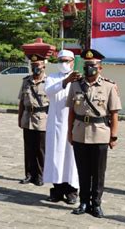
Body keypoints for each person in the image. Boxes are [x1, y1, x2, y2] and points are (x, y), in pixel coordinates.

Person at [67, 49, 121, 218]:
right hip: (80, 133)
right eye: (87, 65)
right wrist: (70, 132)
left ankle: (96, 204)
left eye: (93, 65)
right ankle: (84, 202)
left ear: (100, 68)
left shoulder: (109, 86)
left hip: (100, 135)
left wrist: (113, 136)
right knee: (82, 171)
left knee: (98, 173)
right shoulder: (75, 85)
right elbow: (71, 112)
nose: (89, 68)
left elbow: (114, 114)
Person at [43, 50, 80, 204]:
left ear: (72, 61)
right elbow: (49, 91)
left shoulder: (79, 79)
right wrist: (65, 82)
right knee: (55, 156)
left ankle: (72, 190)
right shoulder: (52, 78)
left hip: (73, 124)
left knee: (71, 158)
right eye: (60, 61)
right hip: (56, 124)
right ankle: (57, 189)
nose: (63, 63)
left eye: (66, 60)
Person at [18, 54, 49, 186]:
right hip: (27, 117)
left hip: (42, 119)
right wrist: (20, 118)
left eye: (37, 65)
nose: (35, 67)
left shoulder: (49, 82)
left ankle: (41, 175)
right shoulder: (26, 81)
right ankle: (29, 174)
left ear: (44, 66)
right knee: (28, 148)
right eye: (33, 65)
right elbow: (21, 102)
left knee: (41, 149)